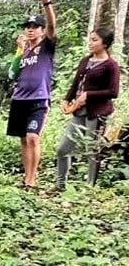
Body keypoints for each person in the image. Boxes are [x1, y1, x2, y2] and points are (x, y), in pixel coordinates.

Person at [55, 26, 120, 190]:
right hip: (79, 111)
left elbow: (113, 92)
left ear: (105, 44)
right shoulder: (85, 60)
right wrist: (66, 99)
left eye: (94, 40)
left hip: (97, 113)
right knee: (63, 148)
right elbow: (76, 83)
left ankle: (90, 188)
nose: (90, 43)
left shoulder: (111, 65)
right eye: (90, 39)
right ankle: (60, 185)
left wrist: (89, 95)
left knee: (92, 150)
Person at [7, 0, 56, 191]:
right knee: (24, 141)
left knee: (33, 137)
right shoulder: (25, 52)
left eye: (35, 26)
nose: (30, 29)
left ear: (42, 30)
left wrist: (46, 2)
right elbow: (12, 73)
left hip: (38, 99)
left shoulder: (46, 47)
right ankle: (26, 179)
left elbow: (53, 26)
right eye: (27, 26)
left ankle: (32, 180)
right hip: (19, 99)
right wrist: (20, 49)